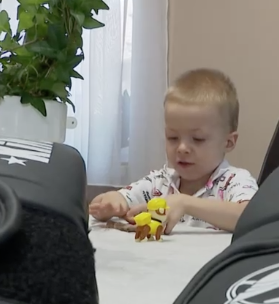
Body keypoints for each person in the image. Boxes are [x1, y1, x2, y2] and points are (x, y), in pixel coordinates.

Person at [89, 68, 259, 233]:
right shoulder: (159, 183)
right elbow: (113, 201)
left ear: (228, 142)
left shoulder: (235, 180)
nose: (182, 148)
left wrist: (185, 203)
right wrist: (112, 202)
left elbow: (252, 217)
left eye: (198, 139)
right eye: (173, 137)